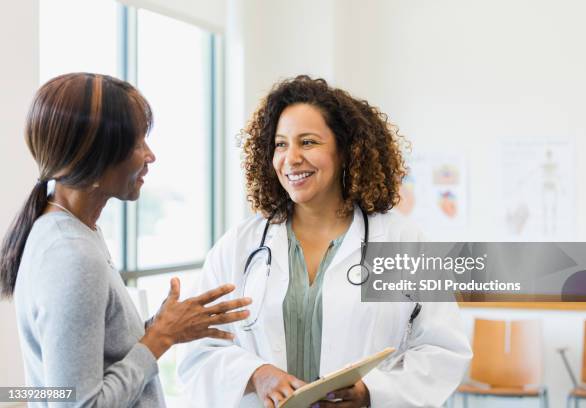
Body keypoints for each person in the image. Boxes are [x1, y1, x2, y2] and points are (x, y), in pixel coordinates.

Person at [177, 75, 472, 407]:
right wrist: (256, 373)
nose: (291, 158)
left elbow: (443, 349)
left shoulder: (399, 241)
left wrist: (370, 392)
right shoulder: (240, 245)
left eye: (308, 142)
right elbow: (198, 349)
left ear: (345, 150)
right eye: (280, 144)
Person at [0, 73, 251, 407]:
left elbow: (95, 358)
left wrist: (162, 327)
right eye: (137, 144)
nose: (150, 156)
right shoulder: (72, 255)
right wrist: (158, 338)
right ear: (95, 156)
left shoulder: (72, 229)